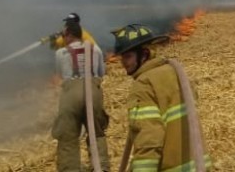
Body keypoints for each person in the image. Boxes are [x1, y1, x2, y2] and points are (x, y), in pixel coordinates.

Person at [112, 23, 212, 171]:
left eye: (127, 56)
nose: (123, 63)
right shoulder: (173, 71)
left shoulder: (144, 84)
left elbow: (149, 140)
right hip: (198, 165)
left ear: (144, 54)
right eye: (122, 57)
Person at [52, 19, 111, 172]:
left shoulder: (60, 53)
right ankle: (101, 167)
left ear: (69, 35)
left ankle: (70, 169)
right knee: (97, 133)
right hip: (93, 91)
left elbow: (60, 75)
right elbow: (101, 73)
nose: (62, 38)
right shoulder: (96, 50)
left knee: (67, 137)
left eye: (64, 35)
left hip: (71, 92)